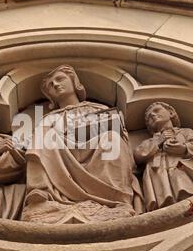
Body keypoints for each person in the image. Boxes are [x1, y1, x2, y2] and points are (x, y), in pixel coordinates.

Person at [20, 65, 144, 224]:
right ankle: (41, 193)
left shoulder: (98, 108)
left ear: (74, 82)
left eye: (60, 79)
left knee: (113, 138)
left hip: (95, 147)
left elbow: (120, 133)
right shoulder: (49, 118)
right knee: (43, 134)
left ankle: (114, 196)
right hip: (60, 154)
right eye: (50, 85)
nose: (56, 85)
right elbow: (34, 142)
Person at [134, 102, 193, 211]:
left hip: (177, 166)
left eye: (157, 110)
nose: (152, 115)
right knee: (161, 194)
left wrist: (183, 148)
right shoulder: (150, 141)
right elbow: (138, 155)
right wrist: (157, 141)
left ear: (171, 113)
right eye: (149, 117)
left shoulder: (185, 132)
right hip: (156, 171)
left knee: (182, 188)